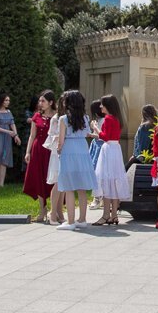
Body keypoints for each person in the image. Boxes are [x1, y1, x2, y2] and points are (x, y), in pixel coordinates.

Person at [56, 90, 98, 229]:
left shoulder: (63, 119)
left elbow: (61, 141)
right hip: (82, 149)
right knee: (81, 187)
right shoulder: (85, 118)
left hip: (69, 149)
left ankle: (70, 221)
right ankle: (82, 219)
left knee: (69, 187)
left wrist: (58, 149)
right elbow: (86, 133)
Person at [92, 94, 131, 225]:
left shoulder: (108, 119)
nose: (101, 106)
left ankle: (105, 215)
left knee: (106, 181)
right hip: (116, 149)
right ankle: (114, 215)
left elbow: (105, 137)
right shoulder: (117, 118)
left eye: (102, 104)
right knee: (114, 181)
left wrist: (96, 128)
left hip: (108, 149)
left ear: (108, 105)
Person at [23, 90, 56, 221]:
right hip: (37, 150)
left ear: (51, 102)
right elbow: (32, 135)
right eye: (39, 101)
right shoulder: (36, 116)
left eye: (43, 101)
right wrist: (27, 152)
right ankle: (42, 210)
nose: (40, 103)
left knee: (53, 179)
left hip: (51, 151)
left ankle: (55, 210)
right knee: (38, 178)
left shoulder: (57, 116)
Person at [0, 94, 21, 188]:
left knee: (4, 160)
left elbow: (12, 123)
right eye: (6, 100)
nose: (8, 102)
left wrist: (15, 135)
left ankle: (1, 184)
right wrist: (8, 132)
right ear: (1, 101)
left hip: (7, 138)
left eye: (8, 100)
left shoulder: (8, 112)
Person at [44, 95, 66, 224]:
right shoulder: (56, 119)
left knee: (63, 183)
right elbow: (50, 136)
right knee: (58, 182)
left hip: (66, 151)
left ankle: (60, 212)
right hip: (57, 152)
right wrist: (59, 137)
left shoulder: (68, 118)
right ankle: (53, 213)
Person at [126, 104, 156, 170]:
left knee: (124, 172)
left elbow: (142, 145)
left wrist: (135, 157)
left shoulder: (144, 127)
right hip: (151, 158)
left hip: (142, 158)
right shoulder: (155, 125)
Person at [87, 100, 105, 210]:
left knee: (98, 172)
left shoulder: (103, 121)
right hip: (95, 146)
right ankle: (98, 197)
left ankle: (98, 197)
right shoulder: (98, 120)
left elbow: (102, 136)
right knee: (95, 171)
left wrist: (91, 134)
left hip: (100, 146)